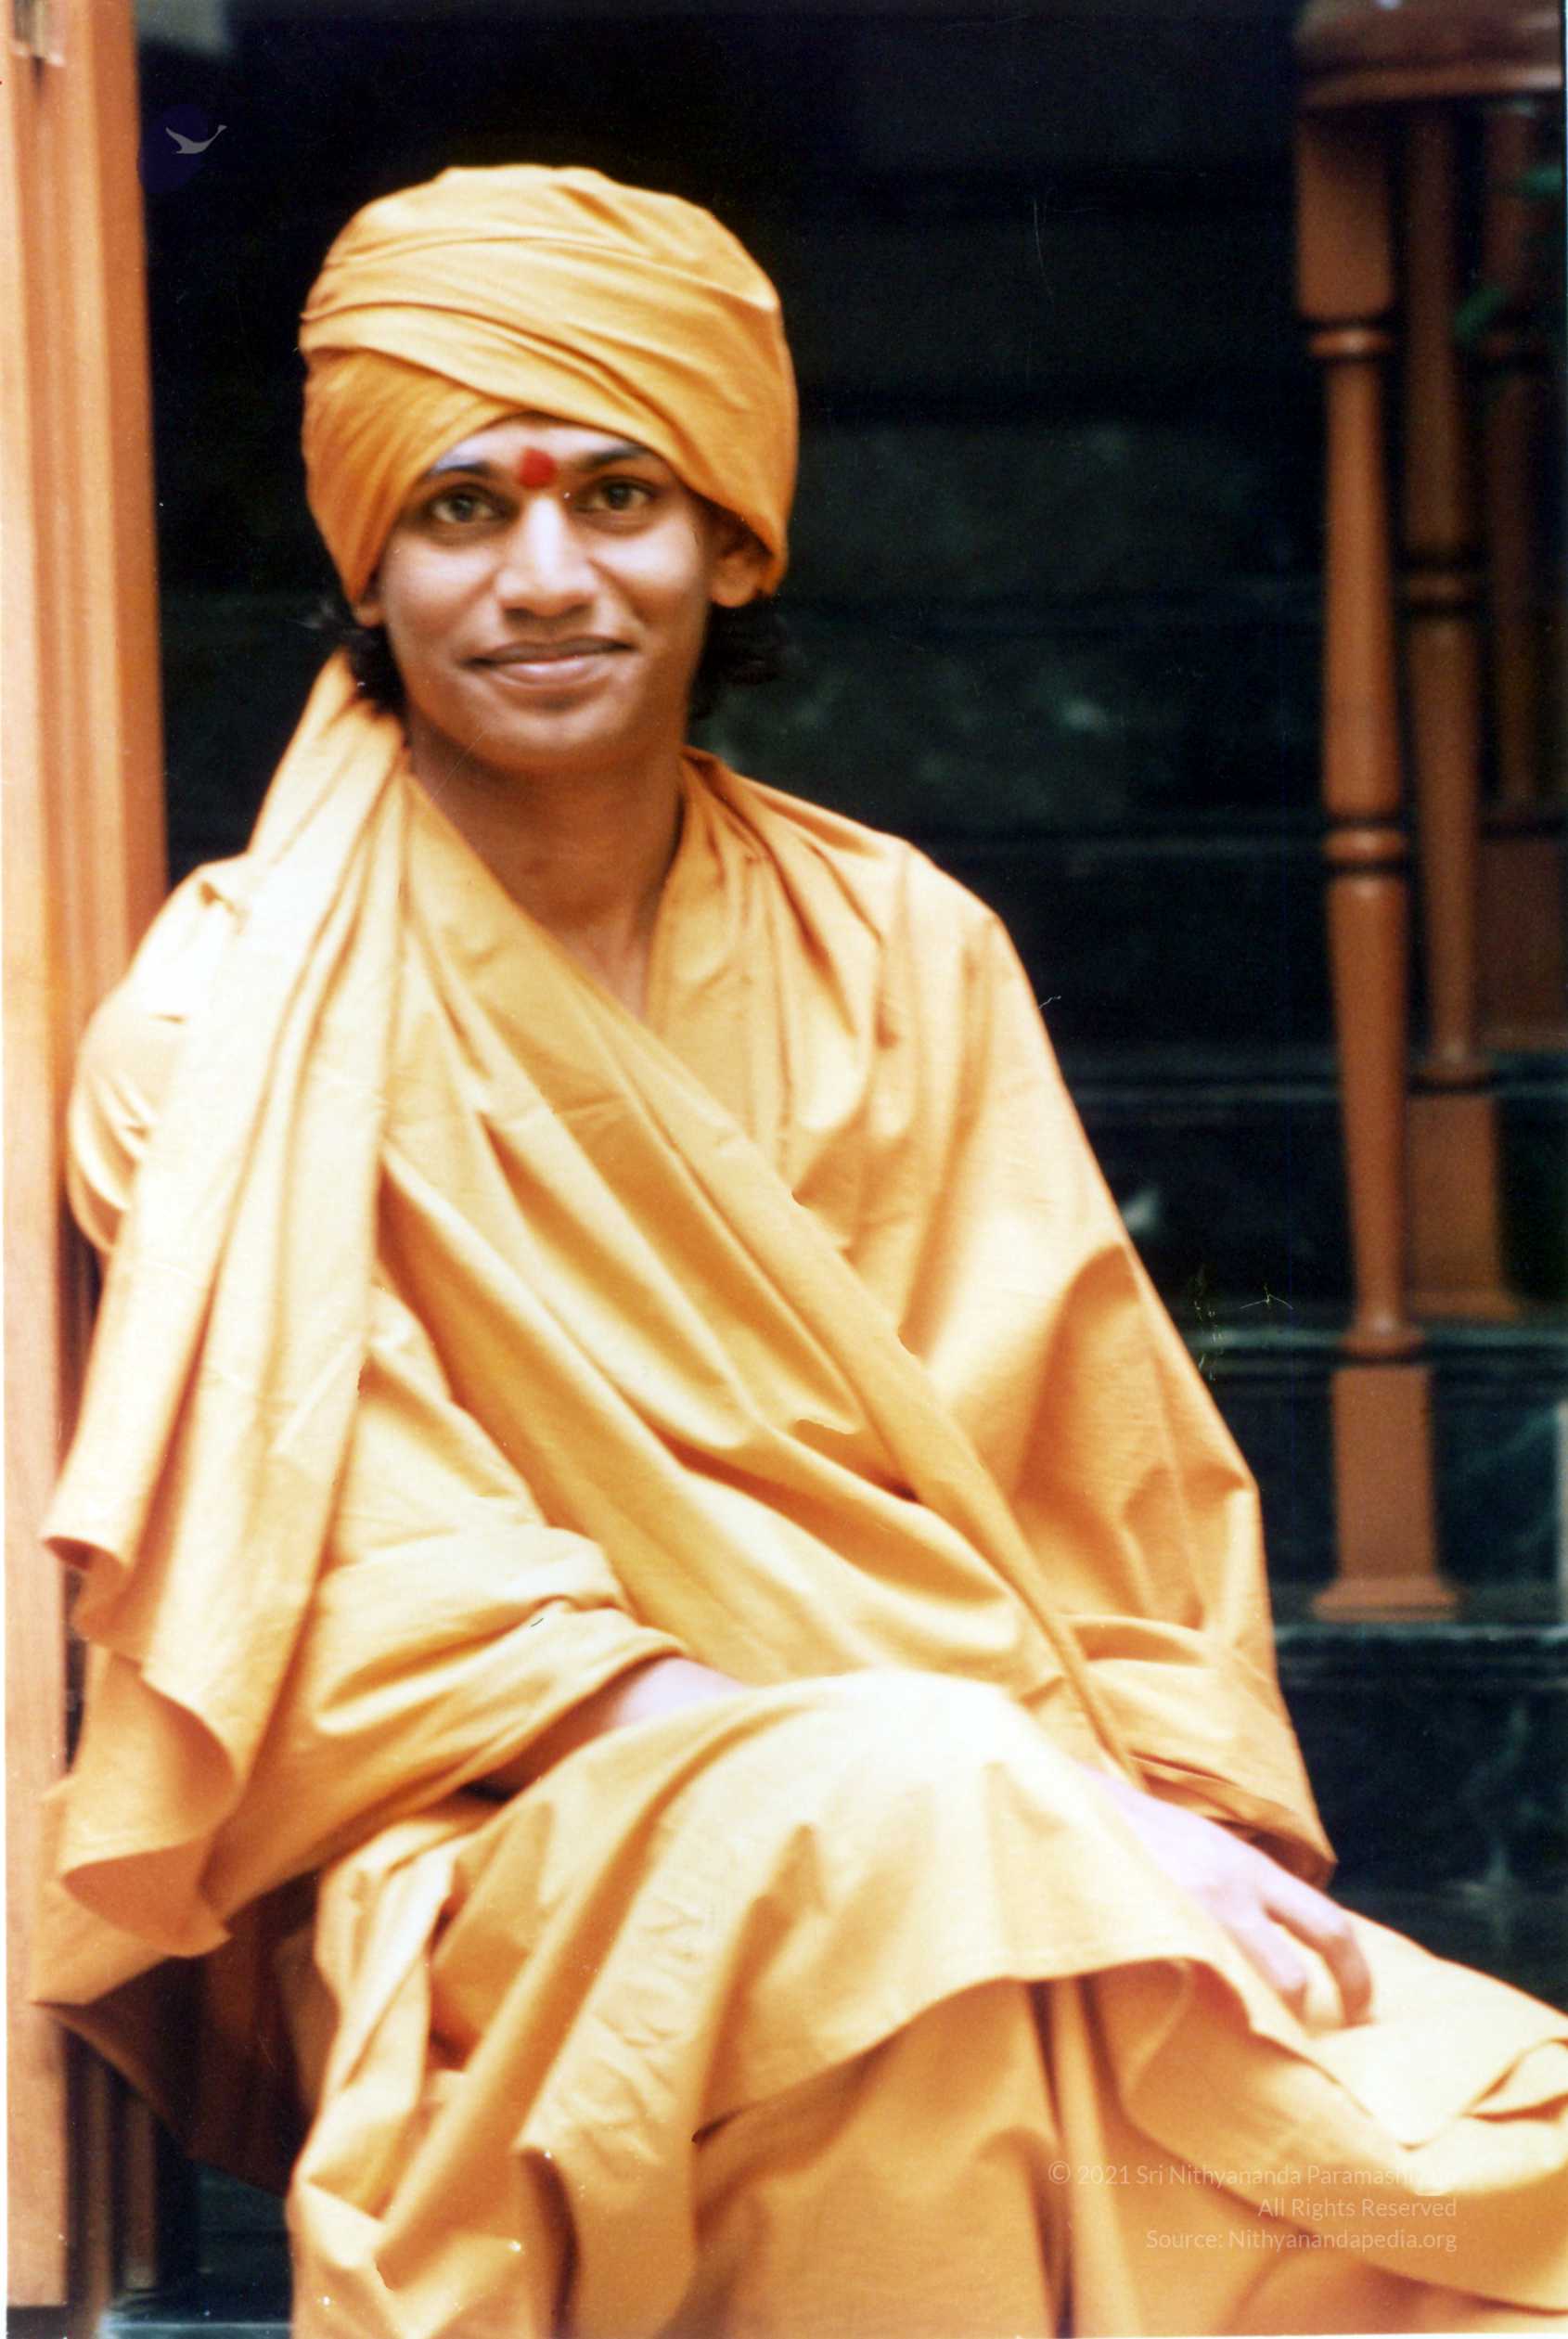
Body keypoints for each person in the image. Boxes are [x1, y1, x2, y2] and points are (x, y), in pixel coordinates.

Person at [32, 164, 1568, 2339]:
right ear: (363, 557)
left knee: (1457, 2184)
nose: (543, 579)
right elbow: (391, 1604)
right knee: (915, 1839)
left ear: (731, 539)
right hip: (516, 1867)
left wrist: (1124, 1813)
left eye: (619, 497)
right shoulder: (220, 1025)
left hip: (982, 1824)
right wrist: (988, 1796)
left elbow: (1102, 1509)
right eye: (459, 509)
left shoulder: (897, 948)